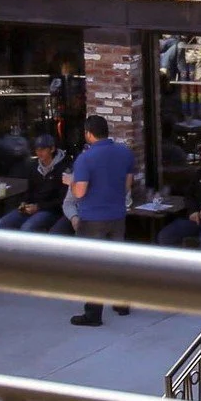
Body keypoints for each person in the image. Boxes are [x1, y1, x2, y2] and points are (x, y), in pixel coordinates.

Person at [67, 114, 136, 328]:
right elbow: (128, 183)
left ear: (88, 133)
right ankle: (121, 303)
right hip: (117, 215)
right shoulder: (125, 153)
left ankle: (93, 314)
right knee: (117, 261)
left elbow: (79, 192)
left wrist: (70, 182)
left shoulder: (85, 159)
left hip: (92, 217)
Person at [0, 132, 70, 234]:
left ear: (52, 149)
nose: (39, 153)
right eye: (37, 150)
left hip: (51, 210)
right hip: (32, 207)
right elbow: (30, 190)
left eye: (43, 149)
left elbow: (62, 200)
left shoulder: (64, 168)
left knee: (27, 228)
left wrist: (39, 207)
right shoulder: (35, 166)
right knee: (0, 224)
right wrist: (24, 202)